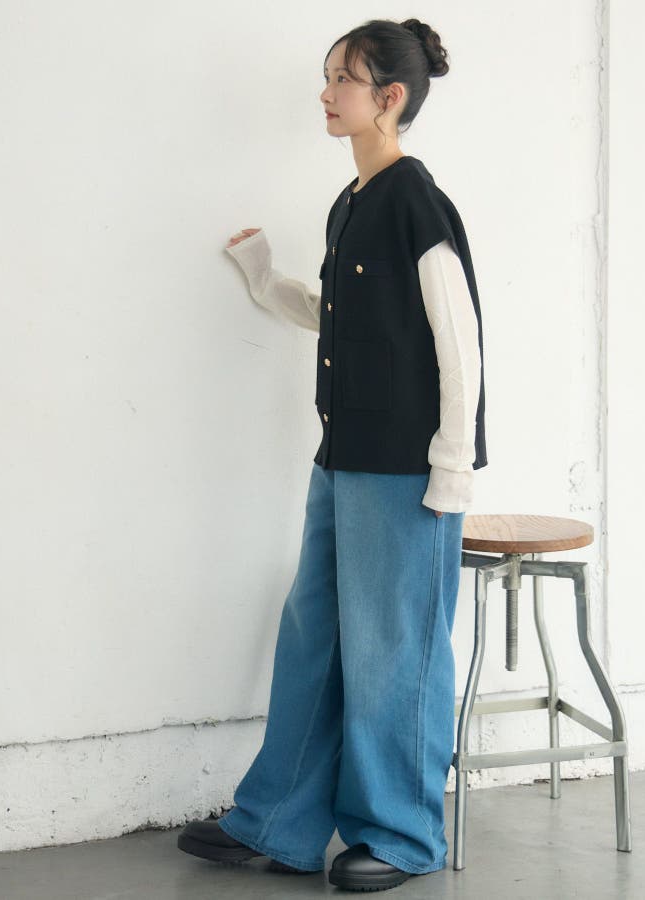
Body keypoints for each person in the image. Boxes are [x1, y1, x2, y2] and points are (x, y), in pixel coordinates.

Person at [178, 17, 488, 892]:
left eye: (341, 79)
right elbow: (341, 315)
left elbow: (459, 339)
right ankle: (279, 822)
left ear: (389, 97)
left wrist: (452, 469)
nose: (325, 93)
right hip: (343, 458)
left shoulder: (416, 201)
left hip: (406, 472)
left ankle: (401, 836)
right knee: (313, 634)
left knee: (395, 653)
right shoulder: (352, 202)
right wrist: (263, 277)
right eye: (328, 77)